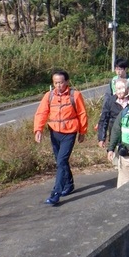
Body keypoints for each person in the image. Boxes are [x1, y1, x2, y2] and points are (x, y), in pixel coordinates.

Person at [34, 70, 88, 205]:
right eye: (56, 83)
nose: (58, 85)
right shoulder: (49, 96)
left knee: (61, 162)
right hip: (54, 132)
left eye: (61, 82)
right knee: (61, 161)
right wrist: (38, 129)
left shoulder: (74, 95)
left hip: (69, 133)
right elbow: (41, 113)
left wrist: (82, 132)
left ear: (67, 82)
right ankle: (69, 184)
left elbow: (82, 114)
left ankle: (56, 193)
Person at [97, 78, 129, 149]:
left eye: (121, 89)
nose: (119, 92)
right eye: (117, 89)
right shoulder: (110, 101)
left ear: (127, 89)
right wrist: (102, 138)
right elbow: (104, 119)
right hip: (115, 137)